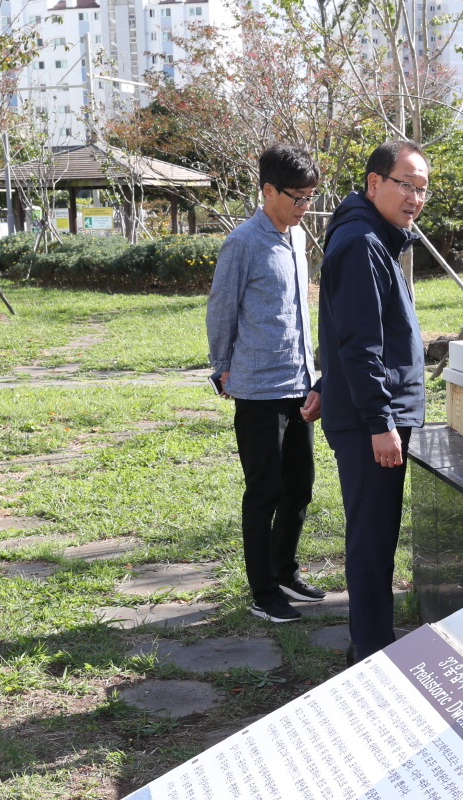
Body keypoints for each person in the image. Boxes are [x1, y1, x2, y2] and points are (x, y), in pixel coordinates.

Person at [315, 139, 429, 662]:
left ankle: (373, 644)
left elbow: (345, 327)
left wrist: (325, 383)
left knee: (376, 535)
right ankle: (372, 652)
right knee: (370, 538)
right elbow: (360, 344)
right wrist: (380, 421)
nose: (414, 197)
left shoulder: (375, 237)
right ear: (374, 183)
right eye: (405, 183)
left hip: (368, 411)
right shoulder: (362, 241)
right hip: (370, 422)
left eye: (422, 188)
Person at [206, 144, 326, 624]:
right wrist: (221, 366)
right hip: (258, 388)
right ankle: (262, 592)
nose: (304, 207)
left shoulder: (295, 238)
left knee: (300, 486)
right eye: (297, 197)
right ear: (268, 190)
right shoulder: (244, 242)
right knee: (265, 491)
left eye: (310, 197)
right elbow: (221, 307)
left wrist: (313, 374)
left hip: (299, 382)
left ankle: (284, 570)